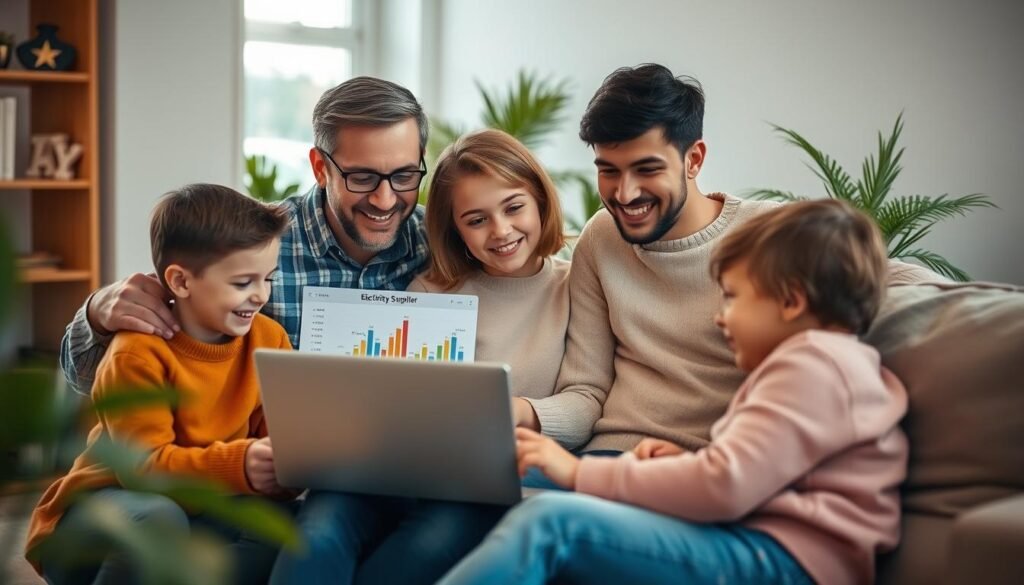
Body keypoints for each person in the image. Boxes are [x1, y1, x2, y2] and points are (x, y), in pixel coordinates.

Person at [440, 199, 909, 585]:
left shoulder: (814, 365)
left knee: (550, 525)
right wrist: (683, 467)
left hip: (785, 563)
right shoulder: (828, 365)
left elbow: (725, 487)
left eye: (734, 296)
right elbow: (758, 473)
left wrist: (576, 473)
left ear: (791, 301)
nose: (720, 317)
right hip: (768, 546)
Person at [271, 128, 571, 585]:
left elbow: (587, 399)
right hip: (390, 466)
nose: (502, 230)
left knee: (428, 542)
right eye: (476, 220)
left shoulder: (576, 285)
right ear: (454, 231)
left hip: (482, 480)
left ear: (541, 202)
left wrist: (511, 413)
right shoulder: (430, 288)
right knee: (318, 533)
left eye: (514, 207)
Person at [58, 76, 431, 393]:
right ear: (320, 167)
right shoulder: (254, 243)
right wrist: (97, 317)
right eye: (362, 178)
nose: (385, 200)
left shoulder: (443, 243)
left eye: (404, 176)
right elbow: (83, 377)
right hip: (272, 468)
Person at [26, 184, 295, 585]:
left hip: (197, 513)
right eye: (242, 283)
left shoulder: (268, 339)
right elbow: (143, 472)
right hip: (101, 522)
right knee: (158, 517)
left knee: (283, 528)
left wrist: (285, 468)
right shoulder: (136, 353)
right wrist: (242, 465)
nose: (260, 295)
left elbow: (279, 446)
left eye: (268, 279)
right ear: (181, 282)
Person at [512, 63, 779, 464]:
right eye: (609, 171)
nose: (625, 193)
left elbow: (884, 277)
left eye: (647, 169)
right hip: (604, 457)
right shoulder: (601, 236)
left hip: (701, 473)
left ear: (694, 159)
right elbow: (586, 393)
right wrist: (519, 413)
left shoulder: (774, 233)